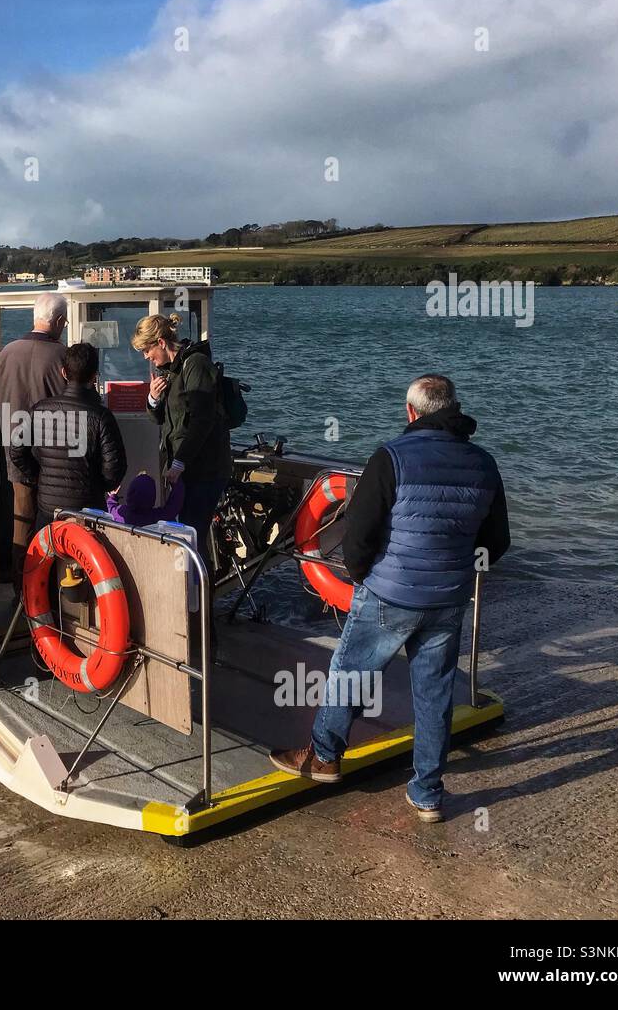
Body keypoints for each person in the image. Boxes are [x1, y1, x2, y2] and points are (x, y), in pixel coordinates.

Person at [269, 374, 511, 823]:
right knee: (435, 694)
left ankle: (324, 756)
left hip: (389, 590)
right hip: (448, 596)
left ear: (411, 412)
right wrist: (457, 568)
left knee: (352, 674)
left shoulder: (390, 457)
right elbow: (497, 540)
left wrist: (364, 577)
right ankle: (427, 794)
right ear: (453, 408)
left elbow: (359, 535)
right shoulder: (483, 463)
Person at [131, 313, 232, 566]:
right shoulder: (170, 371)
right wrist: (153, 399)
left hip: (205, 470)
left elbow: (203, 420)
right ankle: (193, 594)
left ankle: (201, 597)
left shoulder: (196, 365)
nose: (146, 357)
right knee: (186, 533)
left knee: (192, 534)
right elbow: (161, 420)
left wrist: (180, 462)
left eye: (146, 350)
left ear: (161, 343)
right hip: (185, 469)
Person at [0, 292, 68, 589]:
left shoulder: (8, 351)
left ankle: (16, 584)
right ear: (59, 321)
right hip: (53, 451)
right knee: (52, 516)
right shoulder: (62, 355)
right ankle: (44, 586)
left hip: (12, 444)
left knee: (19, 515)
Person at [8, 343, 127, 533]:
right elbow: (115, 468)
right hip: (89, 510)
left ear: (63, 372)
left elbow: (16, 450)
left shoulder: (40, 410)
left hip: (49, 509)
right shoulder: (101, 416)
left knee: (45, 559)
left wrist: (38, 476)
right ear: (94, 375)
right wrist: (98, 486)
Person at [106, 472, 184, 526]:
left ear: (129, 493)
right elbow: (174, 506)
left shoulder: (120, 512)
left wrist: (112, 497)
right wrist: (176, 483)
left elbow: (109, 507)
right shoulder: (157, 516)